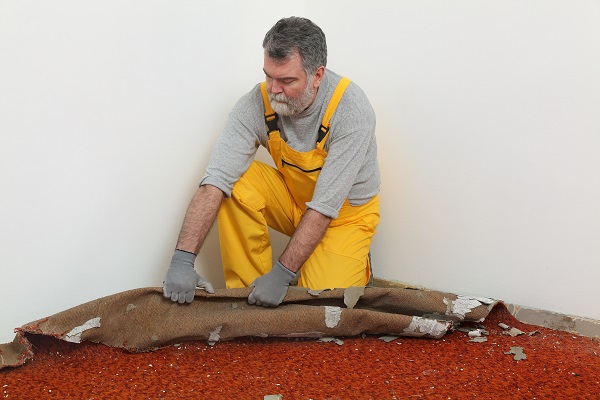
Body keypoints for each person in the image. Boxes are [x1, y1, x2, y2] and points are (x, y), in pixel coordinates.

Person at [163, 16, 380, 307]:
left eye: (287, 80)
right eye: (268, 76)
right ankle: (247, 296)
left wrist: (281, 275)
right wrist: (182, 260)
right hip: (295, 201)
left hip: (343, 217)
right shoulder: (257, 103)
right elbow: (215, 180)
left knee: (320, 307)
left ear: (317, 76)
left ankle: (352, 263)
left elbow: (325, 208)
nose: (273, 89)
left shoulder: (350, 109)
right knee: (233, 181)